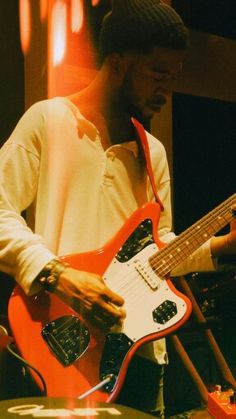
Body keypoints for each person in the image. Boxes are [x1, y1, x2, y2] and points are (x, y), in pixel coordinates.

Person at [0, 0, 235, 416]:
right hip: (62, 349)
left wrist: (219, 249)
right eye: (158, 74)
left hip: (141, 356)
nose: (166, 91)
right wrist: (58, 274)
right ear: (118, 60)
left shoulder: (153, 153)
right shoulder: (48, 121)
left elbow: (157, 252)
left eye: (173, 78)